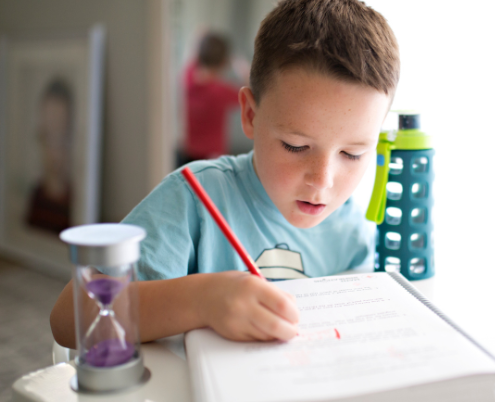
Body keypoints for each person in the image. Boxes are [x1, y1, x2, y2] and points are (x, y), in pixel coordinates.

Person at [51, 0, 399, 347]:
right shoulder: (194, 200)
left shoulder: (352, 230)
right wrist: (200, 300)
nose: (322, 181)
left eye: (352, 153)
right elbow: (68, 319)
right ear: (249, 115)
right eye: (295, 145)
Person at [178, 32, 248, 166]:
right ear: (224, 62)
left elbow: (198, 35)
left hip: (186, 153)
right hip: (211, 158)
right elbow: (251, 93)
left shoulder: (188, 77)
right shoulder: (221, 92)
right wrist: (243, 69)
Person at [25, 78, 73, 235]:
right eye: (47, 136)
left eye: (60, 137)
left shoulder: (76, 204)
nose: (53, 150)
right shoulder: (35, 198)